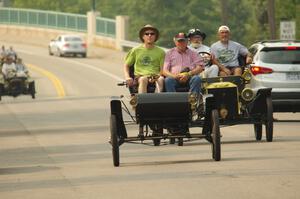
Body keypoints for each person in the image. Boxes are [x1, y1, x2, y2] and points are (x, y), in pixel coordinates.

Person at [124, 24, 165, 93]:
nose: (149, 35)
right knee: (143, 79)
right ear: (143, 36)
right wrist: (127, 77)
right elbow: (126, 65)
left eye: (152, 34)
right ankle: (142, 102)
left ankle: (158, 101)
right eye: (147, 34)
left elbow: (162, 70)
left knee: (161, 79)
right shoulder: (135, 50)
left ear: (155, 37)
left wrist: (155, 77)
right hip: (140, 76)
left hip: (155, 76)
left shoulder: (161, 52)